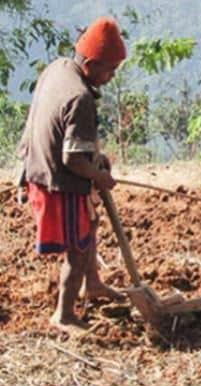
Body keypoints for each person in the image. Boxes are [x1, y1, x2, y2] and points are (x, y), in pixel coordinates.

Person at [15, 17, 127, 334]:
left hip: (38, 166)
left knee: (90, 224)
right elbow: (72, 160)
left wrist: (96, 160)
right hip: (57, 182)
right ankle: (63, 315)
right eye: (110, 70)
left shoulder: (59, 68)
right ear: (90, 64)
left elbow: (66, 137)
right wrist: (99, 176)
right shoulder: (80, 98)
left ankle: (92, 284)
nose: (112, 76)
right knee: (77, 250)